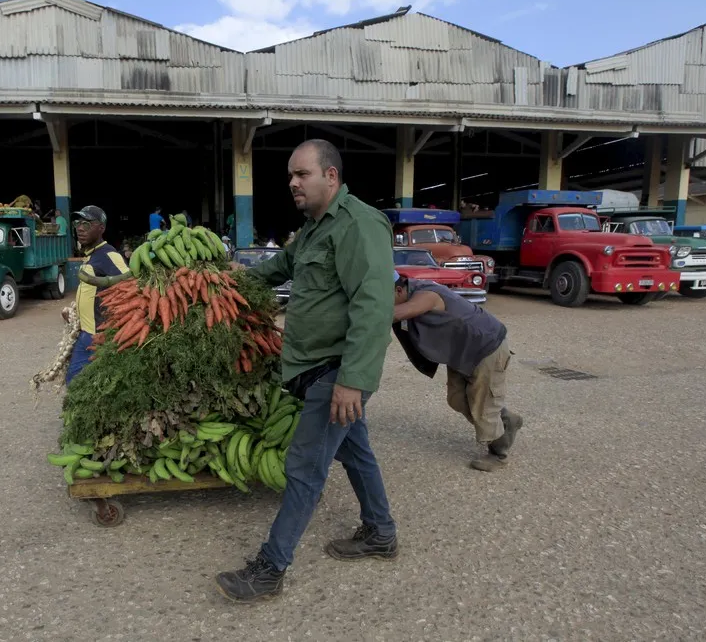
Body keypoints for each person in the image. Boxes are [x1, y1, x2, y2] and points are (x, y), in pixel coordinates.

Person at [216, 139, 397, 602]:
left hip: (334, 372)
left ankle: (270, 569)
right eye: (291, 177)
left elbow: (373, 307)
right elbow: (271, 271)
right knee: (355, 453)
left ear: (331, 177)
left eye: (303, 174)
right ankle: (380, 532)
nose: (293, 183)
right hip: (315, 367)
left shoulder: (358, 225)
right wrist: (214, 279)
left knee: (304, 468)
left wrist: (352, 381)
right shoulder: (313, 230)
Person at [391, 272, 524, 471]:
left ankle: (499, 454)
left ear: (399, 290)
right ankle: (507, 420)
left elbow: (402, 312)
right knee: (456, 399)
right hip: (461, 350)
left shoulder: (426, 295)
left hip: (486, 347)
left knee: (483, 406)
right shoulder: (409, 290)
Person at [65, 205, 130, 384]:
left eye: (86, 223)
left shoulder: (109, 255)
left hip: (97, 335)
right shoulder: (92, 255)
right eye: (78, 223)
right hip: (87, 331)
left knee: (75, 382)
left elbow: (130, 286)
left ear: (101, 228)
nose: (79, 228)